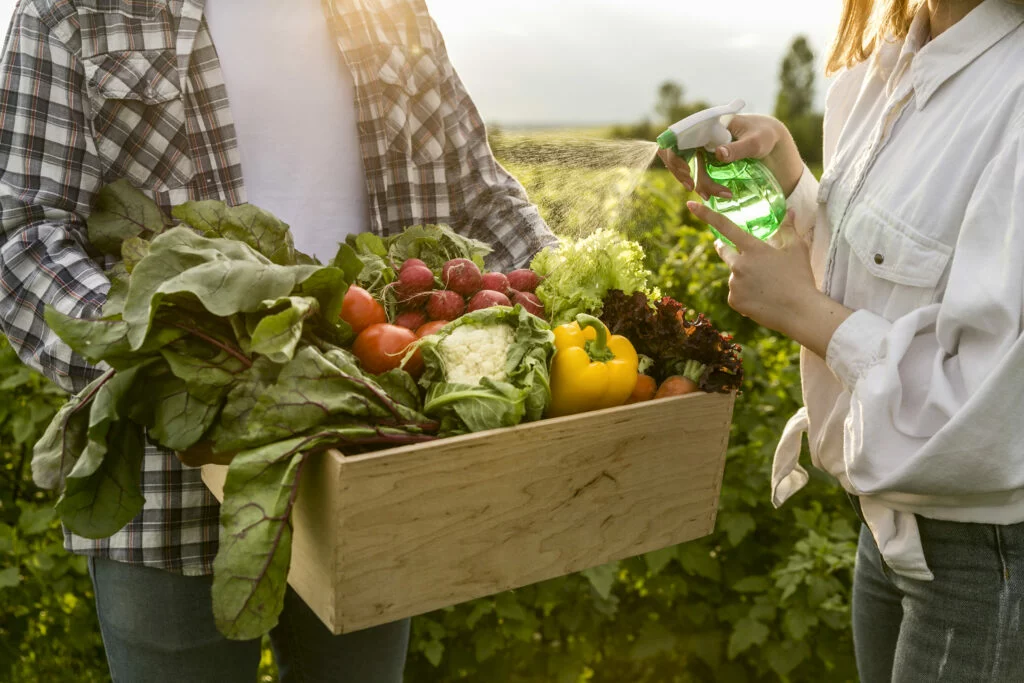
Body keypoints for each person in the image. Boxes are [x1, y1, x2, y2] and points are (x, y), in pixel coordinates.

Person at [0, 0, 556, 681]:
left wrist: (580, 292)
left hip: (372, 442)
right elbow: (23, 232)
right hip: (170, 469)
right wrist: (162, 357)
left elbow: (479, 196)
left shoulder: (390, 10)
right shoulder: (75, 10)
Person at [661, 0, 1024, 679]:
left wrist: (802, 312)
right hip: (887, 531)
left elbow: (993, 414)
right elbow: (899, 273)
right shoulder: (884, 70)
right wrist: (794, 185)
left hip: (985, 557)